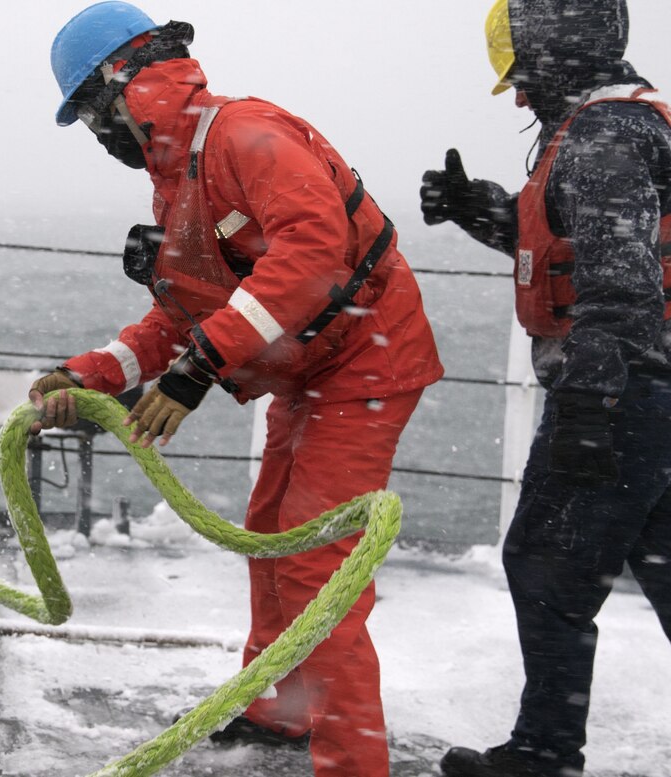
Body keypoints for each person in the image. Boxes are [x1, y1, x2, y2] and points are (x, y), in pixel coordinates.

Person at [31, 3, 443, 775]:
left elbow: (314, 250)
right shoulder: (182, 170)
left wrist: (196, 371)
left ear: (123, 85)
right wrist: (93, 371)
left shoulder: (244, 136)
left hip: (363, 362)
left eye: (89, 111)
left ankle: (354, 763)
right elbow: (180, 310)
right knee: (272, 535)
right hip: (314, 369)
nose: (95, 133)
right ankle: (282, 708)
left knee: (321, 566)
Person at [420, 1, 671, 775]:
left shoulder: (602, 139)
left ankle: (543, 751)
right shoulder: (626, 126)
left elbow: (620, 284)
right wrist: (480, 210)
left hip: (623, 389)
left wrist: (591, 407)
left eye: (523, 77)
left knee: (544, 564)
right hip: (652, 387)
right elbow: (571, 246)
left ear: (559, 54)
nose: (521, 98)